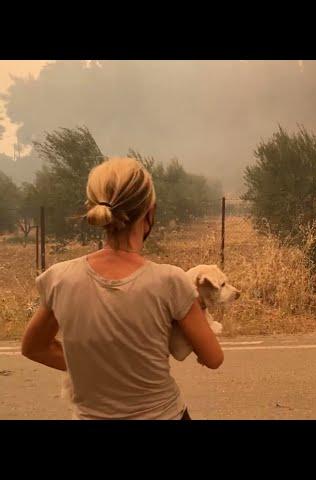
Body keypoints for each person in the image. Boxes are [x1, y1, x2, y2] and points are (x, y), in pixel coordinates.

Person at [20, 157, 223, 420]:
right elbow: (213, 357)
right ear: (150, 211)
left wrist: (95, 369)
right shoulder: (171, 281)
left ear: (95, 209)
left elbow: (33, 347)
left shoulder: (60, 278)